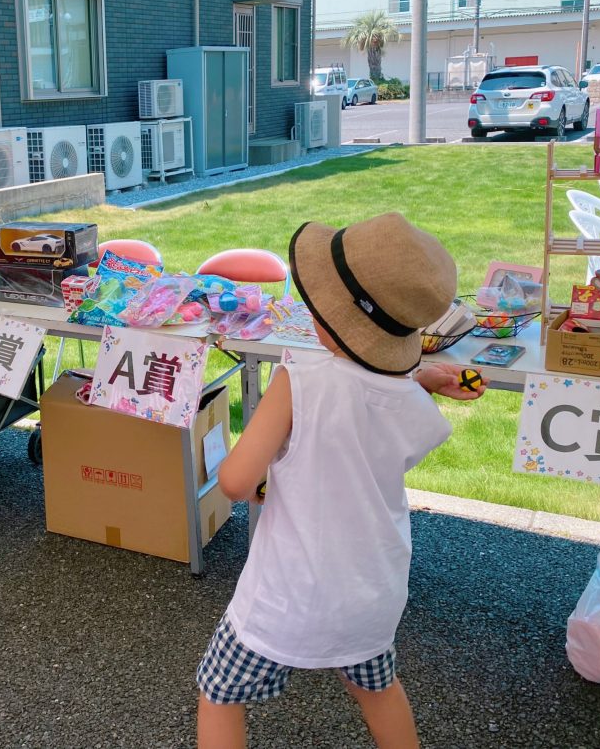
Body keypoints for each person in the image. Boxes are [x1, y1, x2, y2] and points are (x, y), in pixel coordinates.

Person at [196, 211, 486, 749]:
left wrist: (260, 469)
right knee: (378, 691)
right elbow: (372, 395)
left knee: (220, 692)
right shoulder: (407, 392)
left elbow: (237, 482)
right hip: (371, 593)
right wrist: (423, 377)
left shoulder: (297, 380)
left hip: (287, 596)